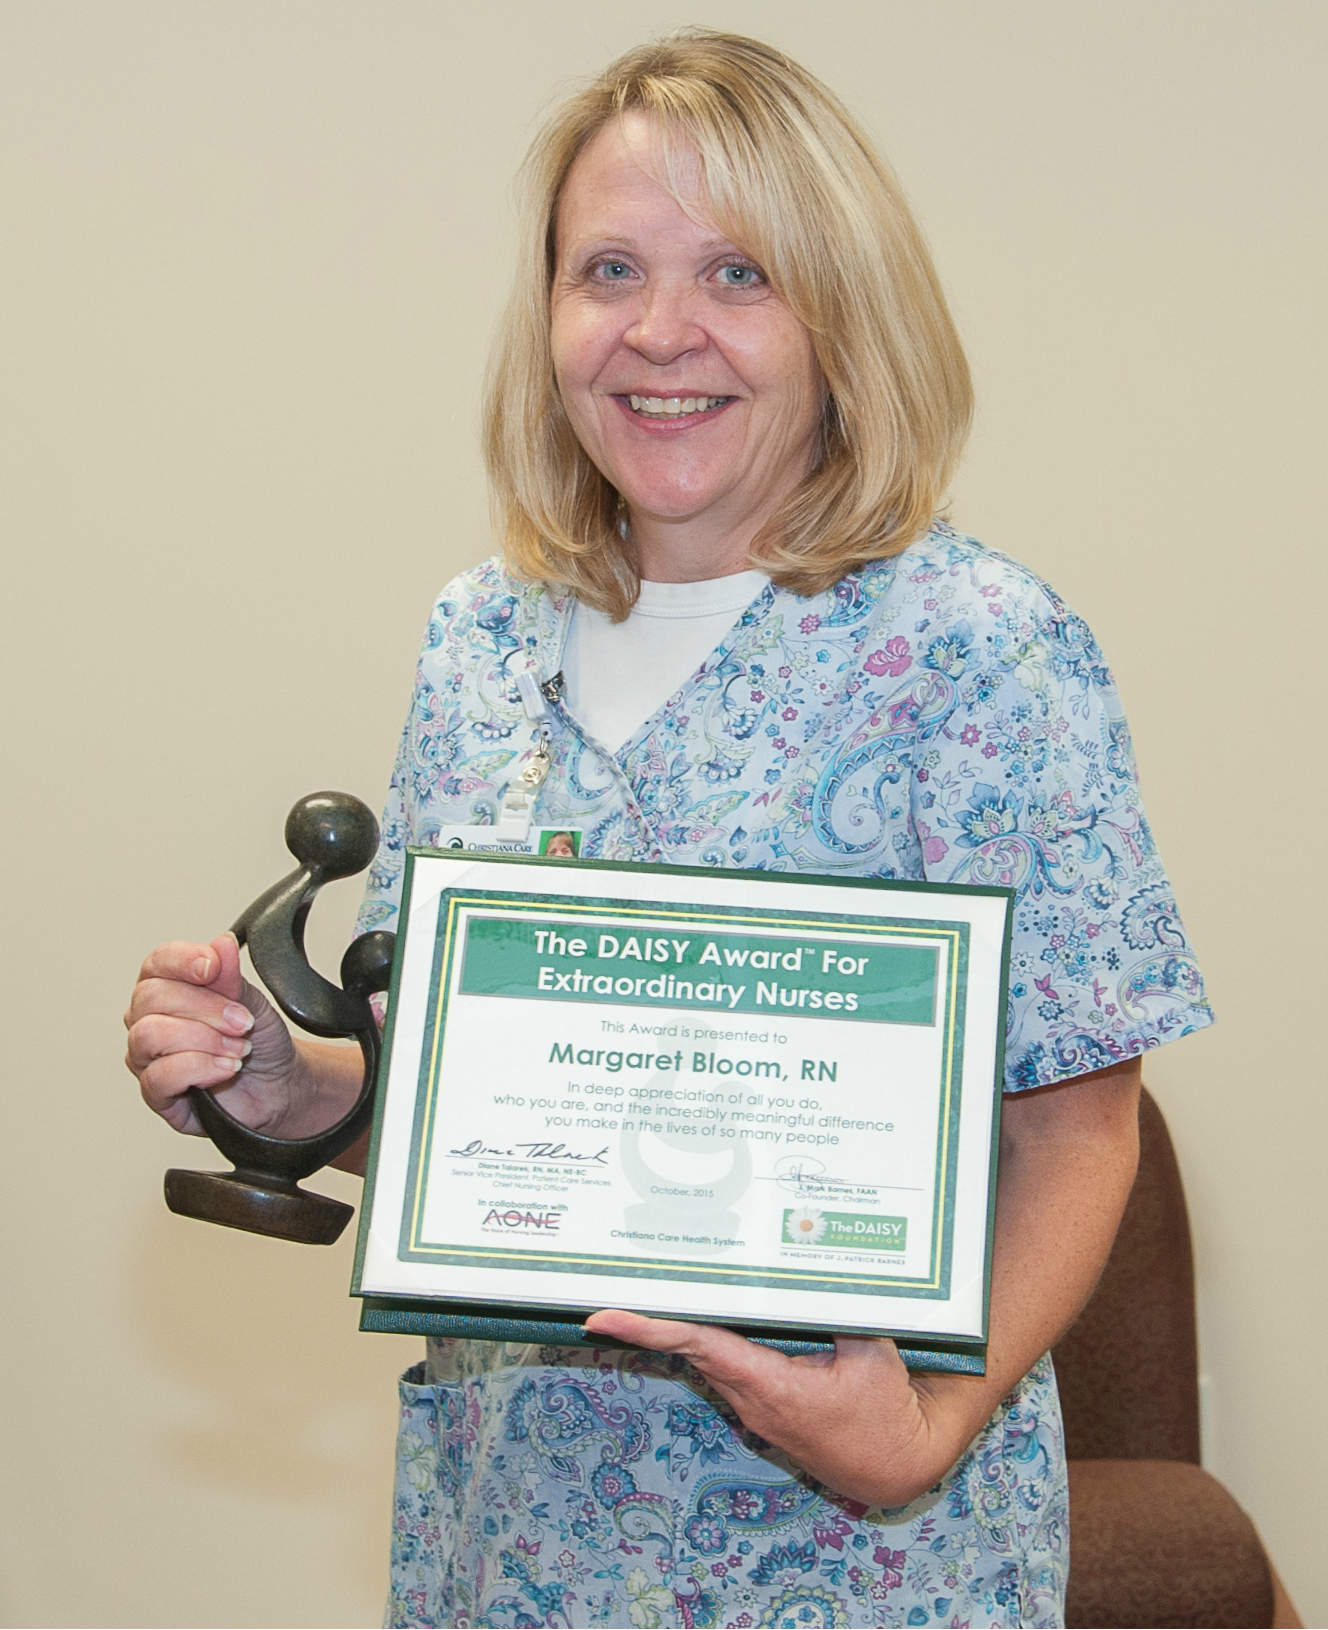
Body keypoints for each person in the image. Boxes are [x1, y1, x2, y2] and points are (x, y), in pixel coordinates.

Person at [124, 30, 1212, 1628]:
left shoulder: (979, 650)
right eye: (610, 269)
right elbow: (486, 1124)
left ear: (841, 314)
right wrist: (302, 1091)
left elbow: (1081, 1127)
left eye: (738, 274)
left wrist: (930, 1424)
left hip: (857, 1560)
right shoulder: (481, 641)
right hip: (515, 1541)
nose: (659, 332)